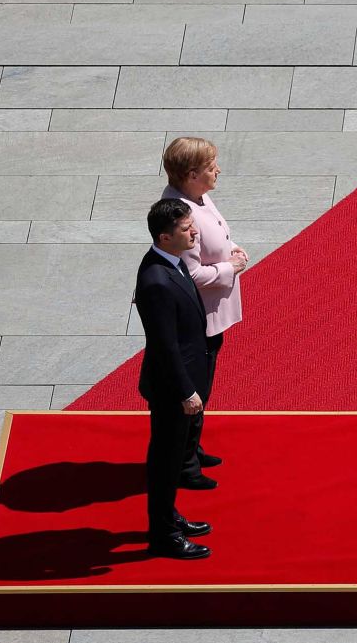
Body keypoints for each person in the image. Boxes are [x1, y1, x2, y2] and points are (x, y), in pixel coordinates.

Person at [161, 136, 249, 491]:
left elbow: (215, 237)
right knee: (195, 391)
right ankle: (185, 464)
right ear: (193, 174)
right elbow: (191, 275)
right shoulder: (181, 216)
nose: (218, 171)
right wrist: (231, 267)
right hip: (199, 319)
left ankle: (192, 449)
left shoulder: (198, 197)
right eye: (212, 167)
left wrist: (230, 248)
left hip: (212, 313)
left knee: (204, 387)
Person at [136, 199, 214, 560]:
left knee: (170, 458)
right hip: (173, 390)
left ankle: (169, 517)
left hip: (183, 380)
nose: (194, 232)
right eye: (186, 229)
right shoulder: (156, 280)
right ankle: (164, 536)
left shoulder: (173, 262)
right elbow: (164, 345)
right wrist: (186, 392)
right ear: (165, 237)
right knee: (166, 462)